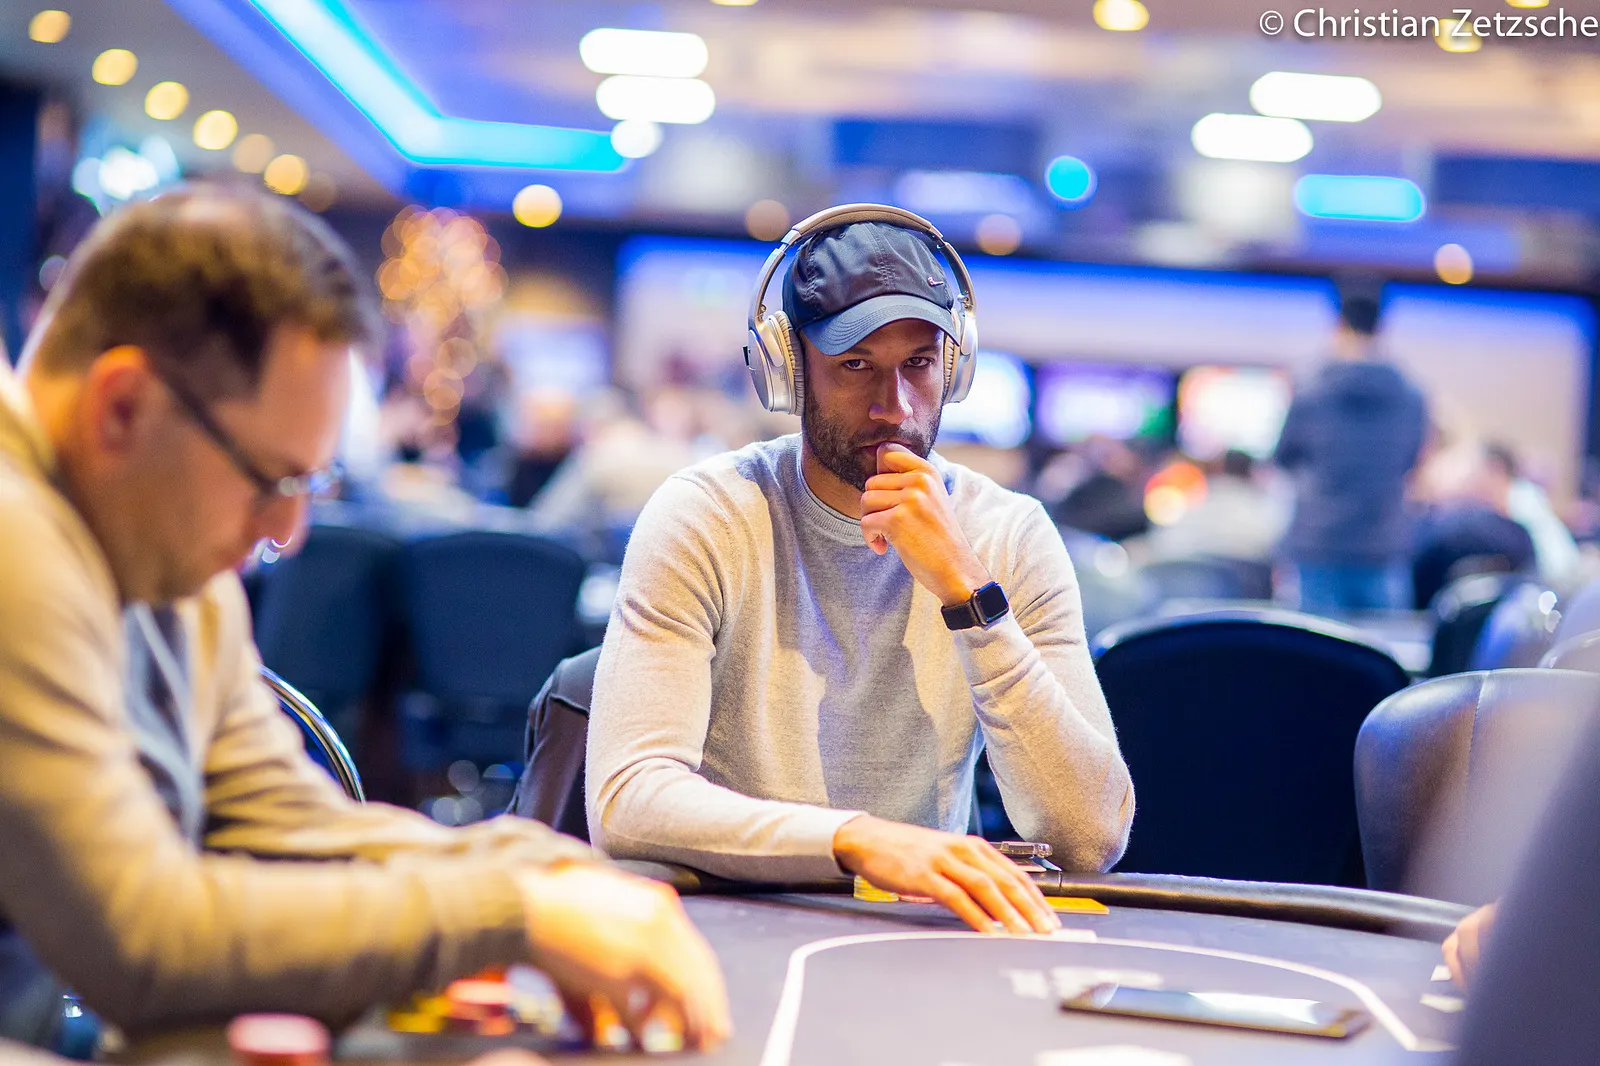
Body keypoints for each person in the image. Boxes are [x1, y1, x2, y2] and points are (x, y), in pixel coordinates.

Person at [0, 188, 727, 1052]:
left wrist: (531, 864)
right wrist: (515, 912)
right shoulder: (17, 531)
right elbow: (143, 936)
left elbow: (282, 824)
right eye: (269, 480)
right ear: (123, 407)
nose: (286, 533)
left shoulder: (160, 548)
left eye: (307, 485)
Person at [584, 208, 1134, 936]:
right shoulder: (705, 515)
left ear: (955, 366)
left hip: (914, 938)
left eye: (919, 364)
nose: (894, 406)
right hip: (731, 923)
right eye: (855, 365)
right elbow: (627, 800)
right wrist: (857, 841)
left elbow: (1090, 838)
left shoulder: (1010, 534)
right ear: (788, 370)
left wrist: (970, 596)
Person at [1274, 288, 1428, 614]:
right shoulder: (1410, 396)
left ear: (1339, 325)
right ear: (1381, 328)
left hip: (1319, 544)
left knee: (1315, 645)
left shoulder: (1311, 390)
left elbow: (1284, 457)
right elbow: (1410, 462)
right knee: (1386, 643)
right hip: (1382, 543)